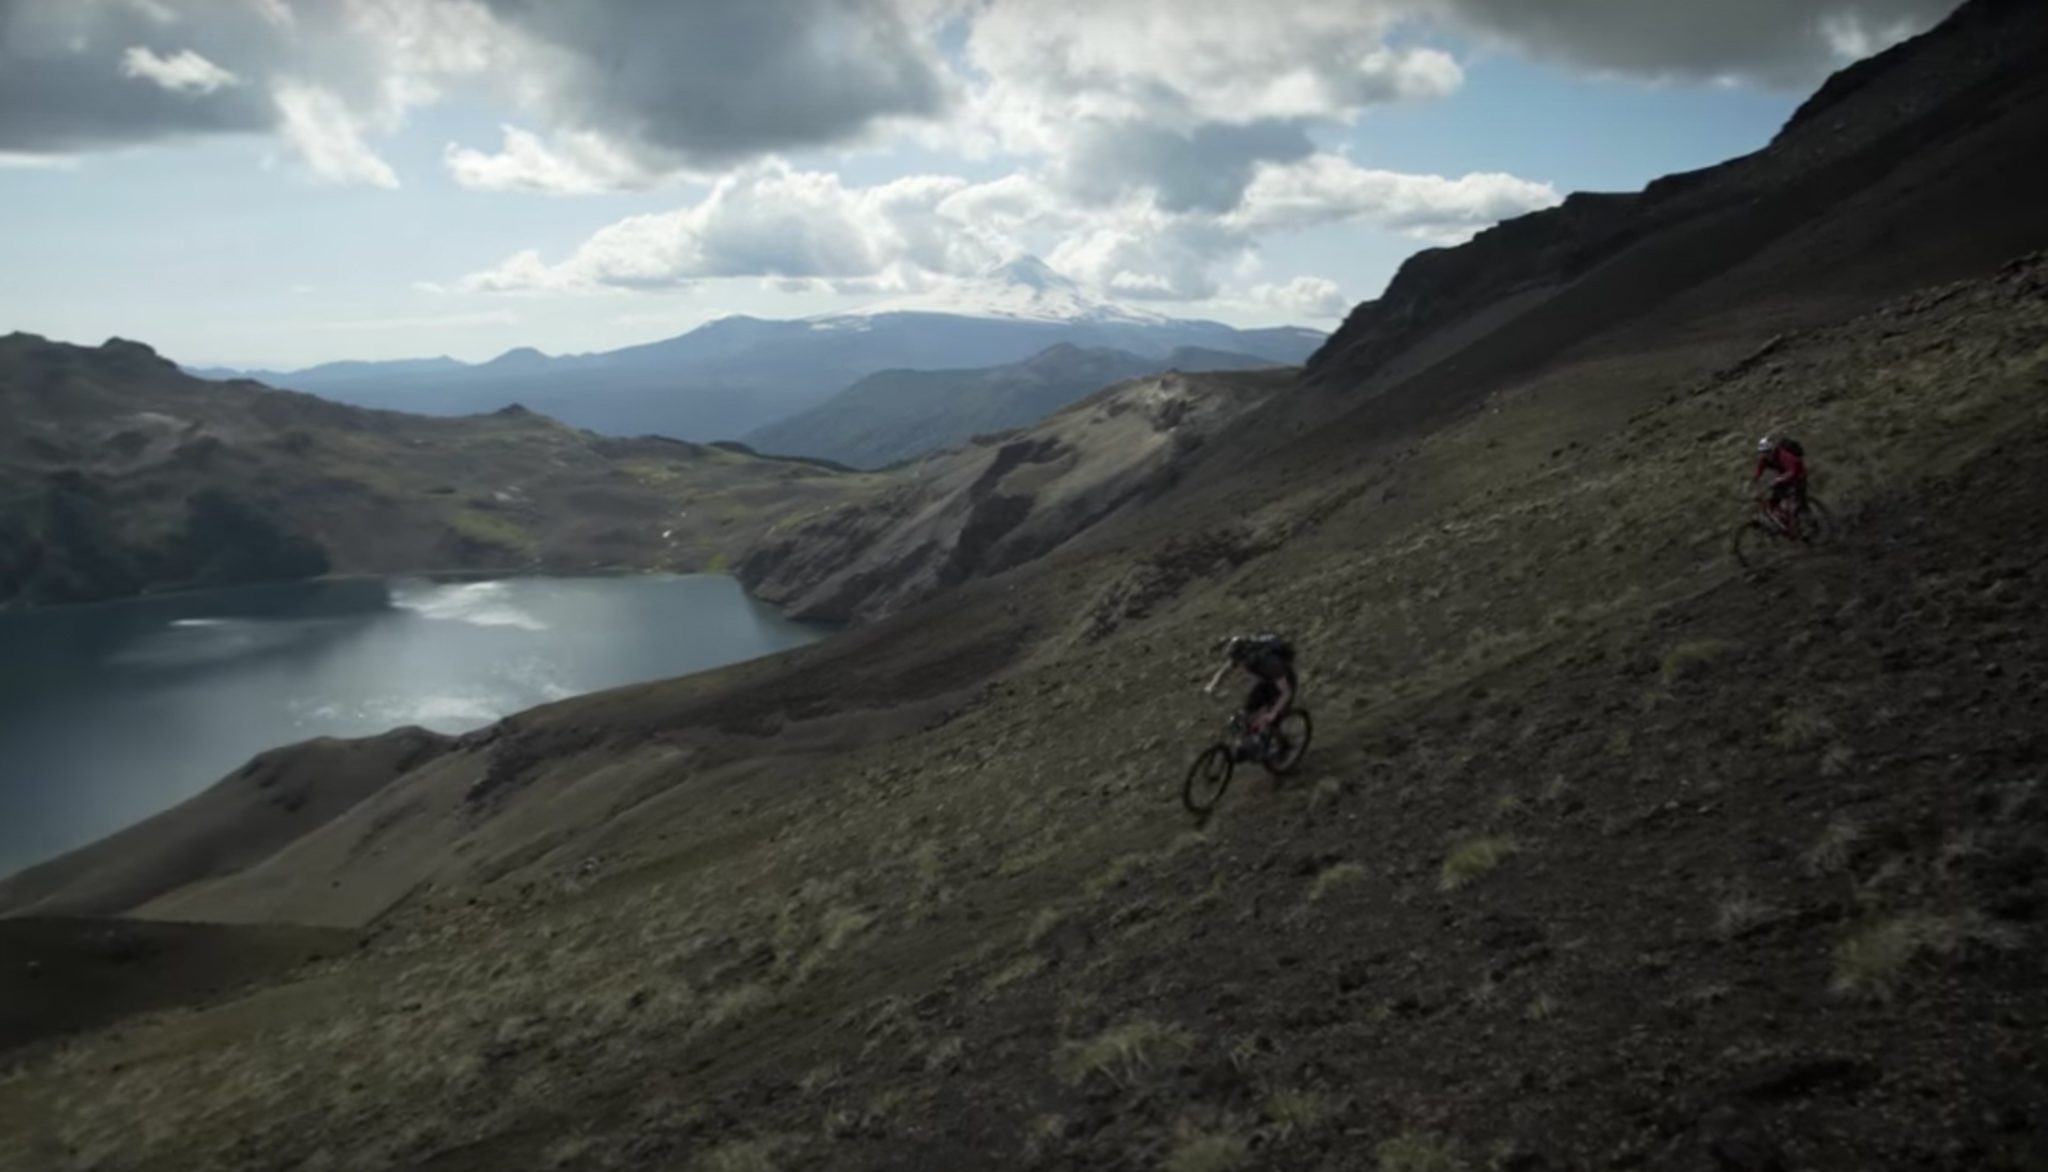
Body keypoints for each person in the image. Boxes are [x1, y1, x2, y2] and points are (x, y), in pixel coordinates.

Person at [1204, 634, 1297, 762]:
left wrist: (1273, 713)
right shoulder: (1243, 655)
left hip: (1283, 685)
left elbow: (1286, 692)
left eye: (1237, 660)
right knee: (1245, 713)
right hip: (1265, 682)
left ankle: (1282, 748)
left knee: (1272, 720)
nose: (1236, 663)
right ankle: (1248, 745)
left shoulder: (1270, 664)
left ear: (1245, 656)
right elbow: (1225, 670)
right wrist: (1213, 685)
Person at [1753, 435, 1809, 535]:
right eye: (1763, 452)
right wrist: (1753, 485)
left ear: (1772, 449)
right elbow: (1757, 474)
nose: (1765, 455)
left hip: (1799, 476)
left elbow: (1792, 471)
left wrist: (1778, 479)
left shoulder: (1783, 455)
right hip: (1785, 478)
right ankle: (1785, 522)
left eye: (1767, 451)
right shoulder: (1764, 460)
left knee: (1795, 503)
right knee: (1774, 502)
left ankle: (1801, 525)